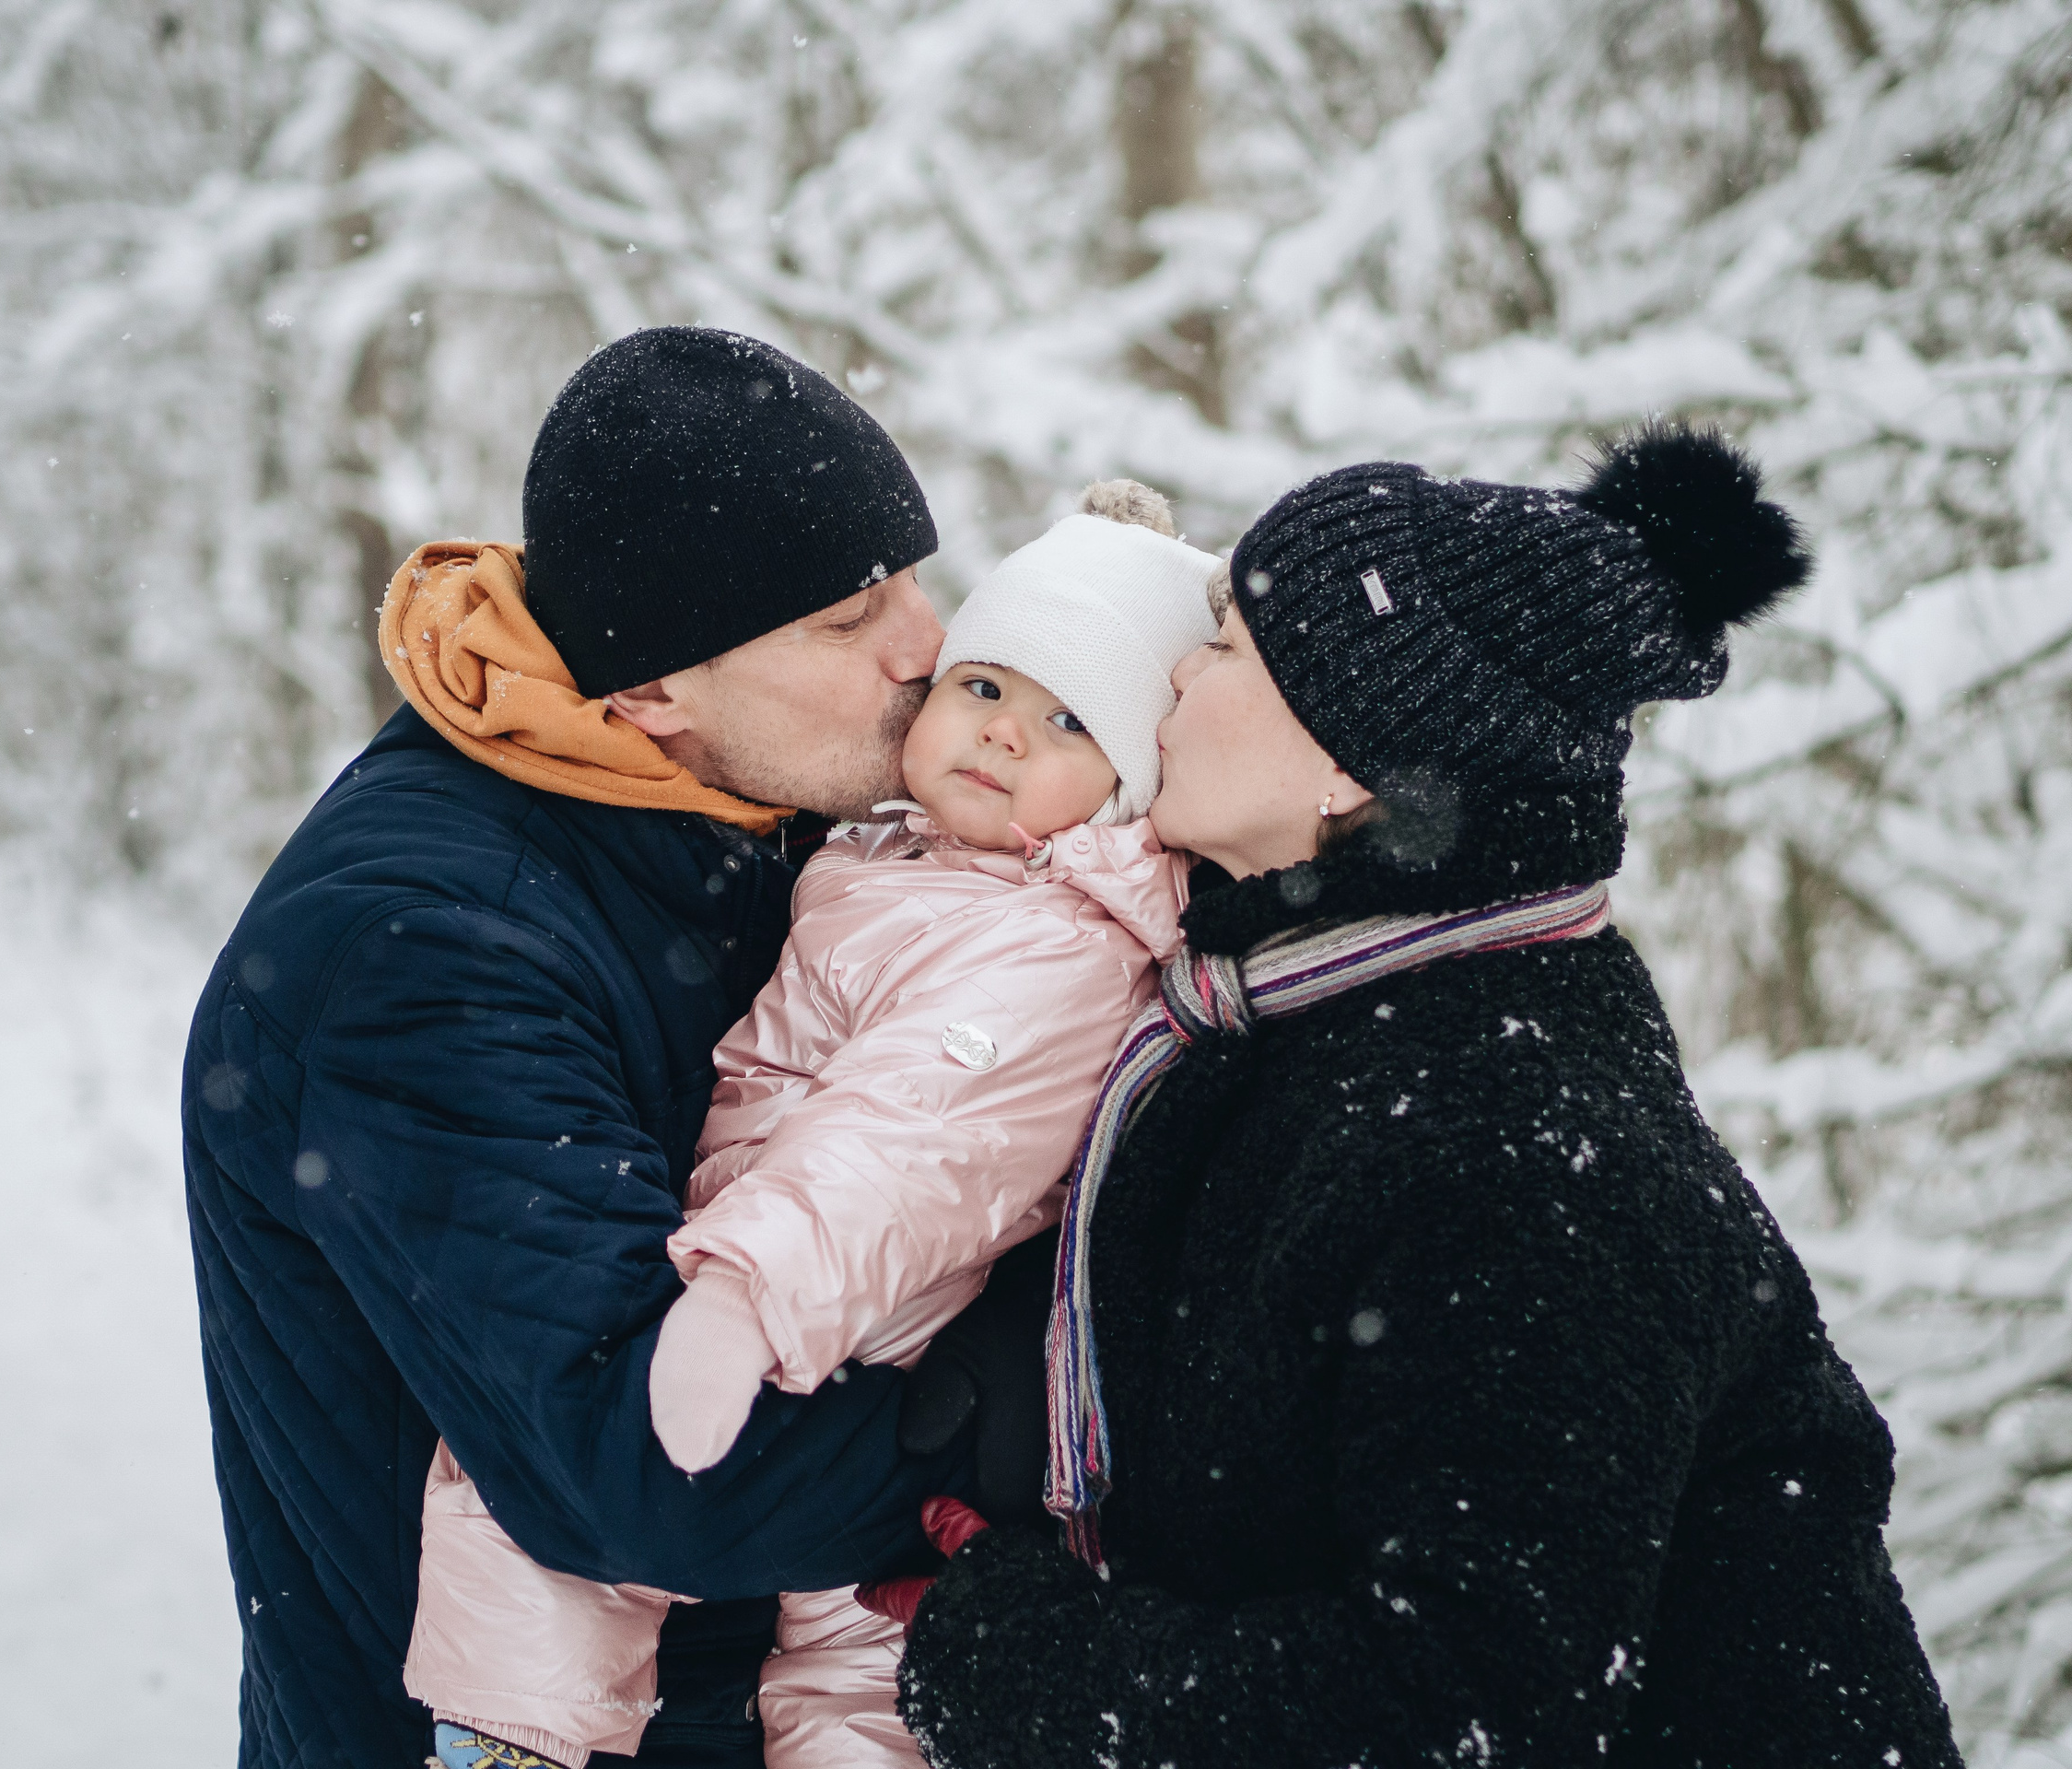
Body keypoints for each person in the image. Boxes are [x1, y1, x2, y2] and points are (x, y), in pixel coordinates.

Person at [881, 427, 1967, 1768]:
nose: (1178, 671)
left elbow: (1460, 1710)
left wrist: (1022, 1664)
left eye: (1228, 646)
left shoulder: (1525, 1153)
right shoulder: (1304, 1027)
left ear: (1350, 764)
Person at [183, 327, 1036, 1769]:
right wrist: (1044, 1429)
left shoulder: (755, 819)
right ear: (648, 694)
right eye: (850, 619)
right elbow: (648, 1460)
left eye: (909, 577)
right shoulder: (420, 948)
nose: (926, 643)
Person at [402, 483, 1219, 1769]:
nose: (1004, 733)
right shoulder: (881, 850)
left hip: (873, 1312)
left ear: (1130, 786)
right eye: (984, 686)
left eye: (1071, 722)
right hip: (784, 1264)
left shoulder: (1056, 939)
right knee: (529, 1480)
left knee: (866, 1657)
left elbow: (909, 1143)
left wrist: (750, 1292)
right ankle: (507, 1732)